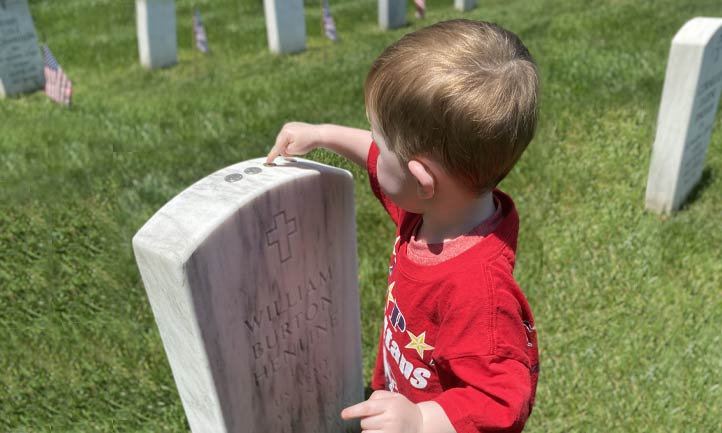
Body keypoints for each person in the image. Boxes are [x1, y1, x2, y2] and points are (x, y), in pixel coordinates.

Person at [266, 19, 539, 433]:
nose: (373, 147)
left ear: (421, 180)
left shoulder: (479, 295)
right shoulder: (433, 215)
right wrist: (323, 134)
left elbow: (501, 401)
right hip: (399, 397)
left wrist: (420, 419)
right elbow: (381, 163)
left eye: (380, 139)